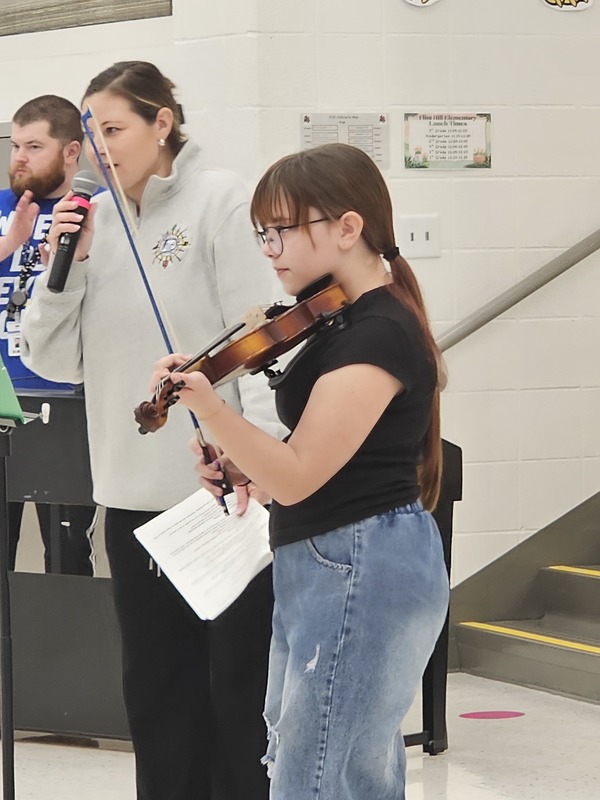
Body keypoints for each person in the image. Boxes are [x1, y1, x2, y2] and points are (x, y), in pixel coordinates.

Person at [153, 142, 451, 800]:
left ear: (348, 228)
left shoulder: (379, 332)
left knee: (315, 777)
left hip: (360, 561)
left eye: (284, 229)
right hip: (331, 556)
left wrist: (210, 404)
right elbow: (318, 461)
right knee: (338, 772)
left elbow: (300, 473)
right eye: (264, 232)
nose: (270, 247)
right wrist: (240, 465)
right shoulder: (345, 323)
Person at [21, 61, 283, 800]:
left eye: (113, 129)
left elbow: (259, 339)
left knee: (236, 697)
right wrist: (61, 268)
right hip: (133, 501)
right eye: (90, 134)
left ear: (162, 122)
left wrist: (260, 466)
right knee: (158, 699)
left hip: (223, 499)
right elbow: (47, 359)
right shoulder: (92, 223)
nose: (98, 148)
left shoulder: (220, 198)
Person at [0, 95, 97, 575]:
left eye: (34, 146)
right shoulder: (2, 209)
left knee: (67, 556)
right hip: (3, 401)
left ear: (71, 152)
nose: (19, 157)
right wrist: (9, 244)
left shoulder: (94, 212)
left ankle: (68, 651)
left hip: (67, 404)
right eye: (16, 145)